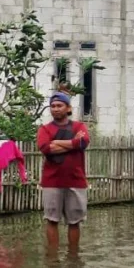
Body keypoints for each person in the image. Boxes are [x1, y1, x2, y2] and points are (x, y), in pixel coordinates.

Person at [37, 91, 90, 253]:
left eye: (59, 105)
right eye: (52, 106)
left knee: (75, 222)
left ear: (68, 108)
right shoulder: (44, 129)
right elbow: (47, 147)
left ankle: (73, 256)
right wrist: (73, 142)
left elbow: (83, 142)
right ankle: (52, 257)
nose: (55, 109)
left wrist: (60, 142)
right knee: (52, 220)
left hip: (76, 180)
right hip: (52, 181)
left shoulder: (79, 126)